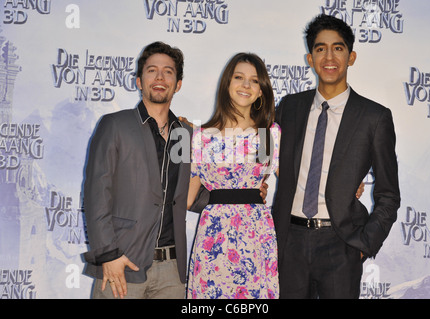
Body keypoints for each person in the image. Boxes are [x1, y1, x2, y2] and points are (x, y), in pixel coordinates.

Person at [272, 14, 400, 299]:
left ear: (351, 56)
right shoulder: (289, 107)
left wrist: (364, 244)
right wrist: (197, 131)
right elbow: (254, 141)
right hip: (289, 241)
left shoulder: (374, 117)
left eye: (338, 48)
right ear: (309, 58)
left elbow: (389, 194)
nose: (329, 57)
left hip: (341, 244)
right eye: (320, 48)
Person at [82, 42, 192, 299]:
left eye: (168, 72)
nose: (160, 77)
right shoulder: (115, 125)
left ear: (178, 84)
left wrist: (246, 194)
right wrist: (109, 255)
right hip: (122, 264)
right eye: (152, 70)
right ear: (139, 81)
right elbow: (96, 194)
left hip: (172, 273)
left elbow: (188, 193)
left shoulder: (184, 135)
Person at [186, 53, 281, 299]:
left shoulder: (269, 134)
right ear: (227, 83)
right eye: (239, 77)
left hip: (256, 235)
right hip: (214, 237)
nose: (246, 85)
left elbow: (299, 181)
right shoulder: (202, 137)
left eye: (254, 80)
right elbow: (187, 198)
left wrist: (348, 183)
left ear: (262, 91)